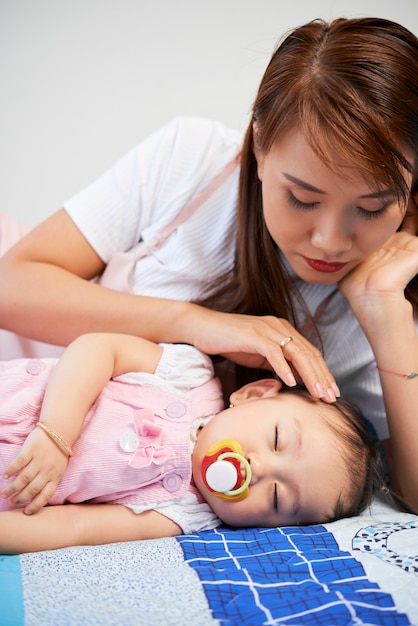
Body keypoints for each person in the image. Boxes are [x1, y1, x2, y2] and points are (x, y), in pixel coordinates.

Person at [0, 17, 417, 512]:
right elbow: (11, 287)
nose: (329, 241)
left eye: (371, 209)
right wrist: (197, 325)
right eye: (302, 198)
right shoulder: (192, 161)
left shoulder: (384, 295)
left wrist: (387, 313)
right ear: (259, 146)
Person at [0, 332, 384, 555]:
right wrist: (56, 433)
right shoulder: (189, 376)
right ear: (253, 394)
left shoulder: (183, 515)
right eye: (278, 439)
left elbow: (77, 526)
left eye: (278, 499)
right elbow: (97, 348)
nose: (260, 469)